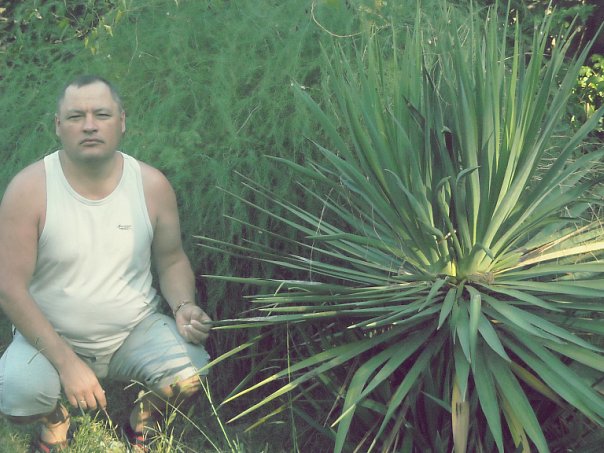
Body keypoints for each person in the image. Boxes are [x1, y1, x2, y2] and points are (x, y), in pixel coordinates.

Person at [0, 75, 212, 452]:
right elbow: (9, 288)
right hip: (50, 335)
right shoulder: (29, 189)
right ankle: (55, 421)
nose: (90, 125)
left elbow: (171, 259)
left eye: (101, 114)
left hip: (133, 329)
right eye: (76, 116)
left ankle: (143, 419)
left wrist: (183, 305)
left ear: (122, 121)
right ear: (58, 125)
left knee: (192, 372)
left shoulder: (151, 185)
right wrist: (66, 363)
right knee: (16, 396)